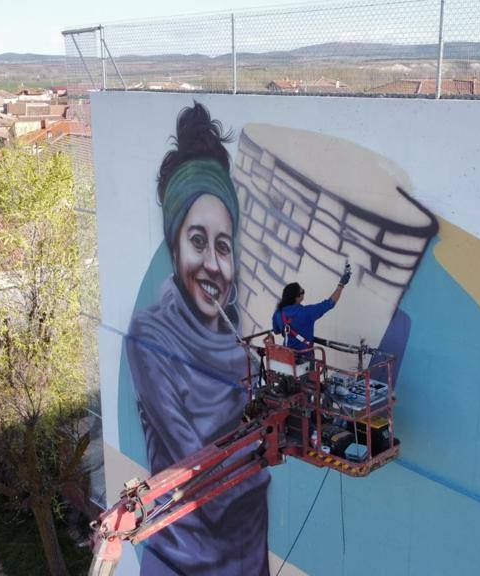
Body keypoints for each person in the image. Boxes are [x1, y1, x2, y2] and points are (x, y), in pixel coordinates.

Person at [125, 102, 270, 576]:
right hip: (182, 565)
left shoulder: (245, 341)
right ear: (174, 245)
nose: (213, 263)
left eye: (223, 247)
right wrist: (270, 443)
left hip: (249, 561)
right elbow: (205, 473)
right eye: (198, 241)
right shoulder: (150, 338)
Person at [272, 265, 352, 353]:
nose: (304, 293)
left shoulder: (278, 313)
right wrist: (341, 285)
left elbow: (276, 331)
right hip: (304, 359)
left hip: (286, 358)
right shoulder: (307, 313)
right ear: (297, 298)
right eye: (302, 292)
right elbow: (329, 303)